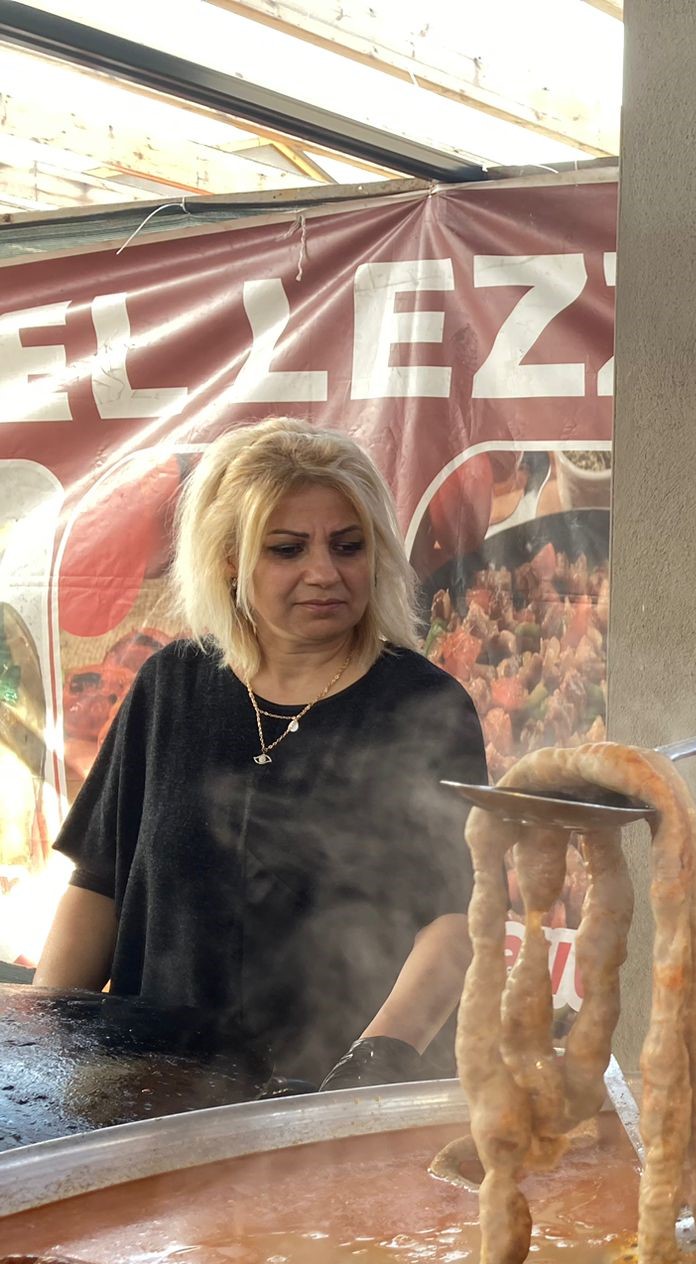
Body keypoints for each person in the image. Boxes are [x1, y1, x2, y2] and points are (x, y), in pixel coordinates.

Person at [36, 419, 487, 1093]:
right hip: (152, 1092)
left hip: (337, 1099)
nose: (324, 574)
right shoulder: (171, 686)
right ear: (229, 559)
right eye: (286, 549)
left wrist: (374, 1064)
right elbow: (97, 886)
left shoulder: (425, 707)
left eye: (347, 546)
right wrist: (36, 1045)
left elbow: (455, 919)